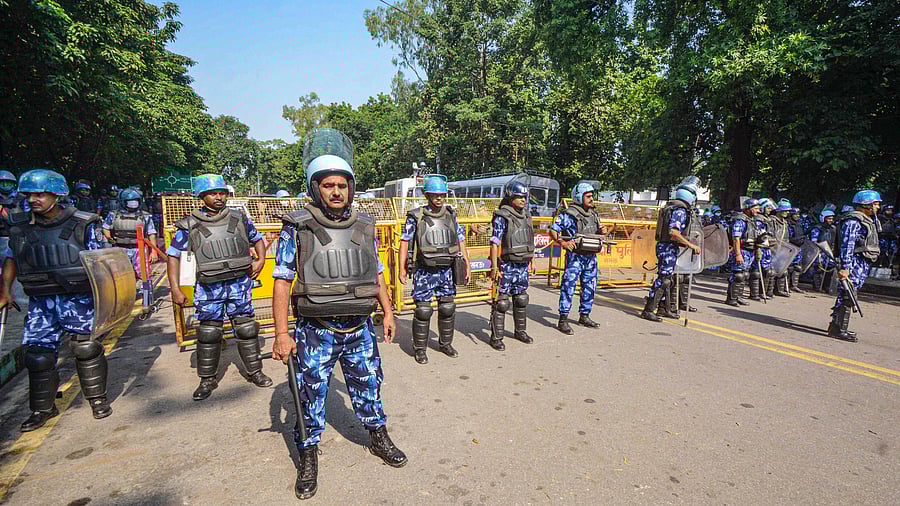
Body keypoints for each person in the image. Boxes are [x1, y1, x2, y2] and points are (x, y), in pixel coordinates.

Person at [271, 129, 406, 499]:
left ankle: (377, 435)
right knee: (311, 395)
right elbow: (281, 281)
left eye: (342, 185)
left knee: (368, 385)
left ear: (351, 187)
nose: (336, 192)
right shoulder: (297, 227)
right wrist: (282, 334)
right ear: (316, 188)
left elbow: (376, 272)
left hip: (360, 327)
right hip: (317, 330)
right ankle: (308, 452)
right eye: (328, 185)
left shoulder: (364, 226)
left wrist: (388, 313)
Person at [0, 169, 112, 431]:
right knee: (38, 356)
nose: (33, 200)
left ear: (56, 194)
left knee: (86, 349)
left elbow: (101, 262)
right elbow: (11, 259)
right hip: (41, 301)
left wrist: (106, 300)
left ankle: (97, 400)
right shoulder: (20, 228)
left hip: (78, 298)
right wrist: (5, 291)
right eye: (29, 195)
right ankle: (43, 408)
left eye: (40, 194)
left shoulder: (84, 223)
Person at [165, 174, 271, 400]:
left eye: (222, 193)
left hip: (239, 284)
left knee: (246, 329)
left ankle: (255, 371)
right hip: (209, 286)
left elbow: (258, 239)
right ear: (202, 196)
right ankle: (207, 379)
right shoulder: (190, 224)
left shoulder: (239, 218)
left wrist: (260, 260)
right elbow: (173, 257)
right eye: (213, 193)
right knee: (209, 332)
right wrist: (175, 288)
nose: (219, 197)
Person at [398, 174, 471, 364]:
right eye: (435, 195)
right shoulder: (416, 216)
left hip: (447, 270)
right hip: (424, 270)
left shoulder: (451, 215)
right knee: (423, 311)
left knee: (447, 308)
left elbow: (460, 240)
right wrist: (401, 268)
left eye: (442, 195)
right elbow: (404, 242)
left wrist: (467, 266)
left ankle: (445, 343)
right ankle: (420, 349)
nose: (439, 199)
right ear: (427, 195)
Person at [550, 182, 606, 334]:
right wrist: (562, 242)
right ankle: (563, 319)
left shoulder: (594, 215)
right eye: (588, 196)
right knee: (568, 287)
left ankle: (585, 316)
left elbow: (600, 233)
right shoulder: (569, 215)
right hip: (576, 257)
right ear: (579, 197)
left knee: (590, 287)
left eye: (591, 196)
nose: (591, 199)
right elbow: (554, 230)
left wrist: (603, 232)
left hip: (591, 257)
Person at [642, 178, 701, 321]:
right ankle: (649, 310)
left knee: (669, 279)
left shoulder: (673, 207)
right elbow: (673, 232)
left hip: (668, 246)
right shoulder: (680, 210)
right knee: (663, 280)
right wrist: (690, 245)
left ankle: (663, 308)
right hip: (667, 247)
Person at [827, 190, 881, 342]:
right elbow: (847, 245)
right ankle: (839, 329)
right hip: (854, 262)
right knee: (847, 294)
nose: (878, 207)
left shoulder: (866, 220)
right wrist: (845, 267)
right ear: (866, 205)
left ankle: (836, 326)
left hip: (862, 262)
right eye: (875, 204)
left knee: (849, 293)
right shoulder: (853, 221)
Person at [488, 176, 535, 349]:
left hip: (522, 264)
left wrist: (532, 260)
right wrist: (494, 267)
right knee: (502, 303)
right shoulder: (503, 216)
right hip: (506, 265)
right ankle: (496, 337)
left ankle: (520, 331)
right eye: (519, 197)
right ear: (510, 197)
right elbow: (495, 243)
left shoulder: (527, 216)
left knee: (521, 299)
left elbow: (530, 239)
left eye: (525, 197)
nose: (523, 200)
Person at [102, 188, 158, 282]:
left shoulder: (145, 216)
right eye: (130, 202)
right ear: (123, 202)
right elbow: (106, 227)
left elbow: (151, 233)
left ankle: (147, 294)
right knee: (120, 274)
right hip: (120, 249)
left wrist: (154, 251)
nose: (133, 204)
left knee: (145, 274)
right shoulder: (114, 215)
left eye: (135, 201)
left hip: (139, 249)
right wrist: (108, 237)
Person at [724, 199, 761, 306]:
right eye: (756, 208)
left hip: (750, 251)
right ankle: (731, 298)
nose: (758, 211)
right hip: (742, 251)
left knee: (744, 275)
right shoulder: (740, 220)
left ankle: (738, 296)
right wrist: (738, 254)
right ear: (748, 208)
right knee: (737, 275)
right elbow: (736, 238)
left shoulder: (751, 221)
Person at [810, 209, 838, 293]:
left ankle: (826, 287)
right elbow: (813, 241)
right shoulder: (817, 228)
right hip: (820, 251)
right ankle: (817, 287)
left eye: (832, 219)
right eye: (829, 218)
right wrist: (820, 248)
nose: (831, 220)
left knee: (830, 269)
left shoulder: (833, 229)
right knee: (818, 269)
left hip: (829, 252)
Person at [769, 199, 793, 297]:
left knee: (783, 270)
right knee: (771, 271)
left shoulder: (785, 223)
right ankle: (768, 291)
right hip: (773, 248)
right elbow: (770, 235)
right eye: (785, 210)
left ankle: (779, 290)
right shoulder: (772, 221)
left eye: (788, 211)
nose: (787, 212)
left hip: (783, 249)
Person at [787, 208, 806, 293]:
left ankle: (794, 285)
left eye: (798, 214)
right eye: (795, 214)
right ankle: (786, 285)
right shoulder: (788, 224)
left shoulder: (799, 224)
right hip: (790, 248)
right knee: (789, 268)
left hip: (798, 248)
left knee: (797, 267)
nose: (797, 216)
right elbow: (788, 238)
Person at [877, 205, 896, 269]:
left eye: (891, 210)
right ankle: (879, 263)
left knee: (891, 251)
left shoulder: (892, 220)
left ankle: (889, 263)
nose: (890, 212)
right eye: (888, 210)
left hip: (890, 238)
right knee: (882, 251)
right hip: (882, 237)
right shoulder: (880, 218)